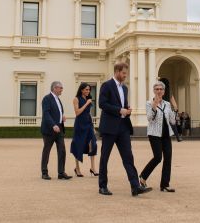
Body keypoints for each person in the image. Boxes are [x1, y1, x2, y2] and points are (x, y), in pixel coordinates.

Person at [98, 62, 151, 196]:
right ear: (117, 71)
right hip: (109, 127)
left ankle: (135, 186)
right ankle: (102, 186)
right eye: (123, 73)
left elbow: (123, 105)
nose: (125, 75)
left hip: (123, 127)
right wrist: (119, 110)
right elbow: (102, 104)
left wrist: (127, 110)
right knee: (105, 157)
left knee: (128, 157)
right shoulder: (106, 85)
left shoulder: (125, 88)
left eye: (126, 73)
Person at [139, 81, 177, 192]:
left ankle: (165, 184)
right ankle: (143, 177)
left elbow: (172, 121)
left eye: (161, 89)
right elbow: (150, 118)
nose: (159, 91)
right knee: (157, 157)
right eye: (157, 89)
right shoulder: (148, 103)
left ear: (164, 91)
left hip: (166, 134)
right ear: (154, 91)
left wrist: (175, 109)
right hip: (154, 134)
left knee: (168, 158)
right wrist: (154, 105)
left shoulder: (167, 104)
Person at [40, 81, 71, 180]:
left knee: (62, 150)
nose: (62, 90)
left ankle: (61, 172)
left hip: (59, 129)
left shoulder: (58, 99)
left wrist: (62, 117)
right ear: (54, 88)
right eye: (60, 88)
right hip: (49, 130)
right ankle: (44, 172)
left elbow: (57, 112)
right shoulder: (47, 99)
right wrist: (53, 125)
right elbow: (46, 113)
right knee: (47, 150)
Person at [70, 82, 98, 177]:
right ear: (81, 90)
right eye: (86, 89)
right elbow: (77, 113)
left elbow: (89, 113)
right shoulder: (76, 99)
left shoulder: (88, 99)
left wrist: (93, 126)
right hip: (80, 125)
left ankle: (93, 168)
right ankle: (77, 168)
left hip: (88, 124)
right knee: (78, 144)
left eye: (89, 90)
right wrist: (86, 103)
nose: (88, 91)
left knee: (93, 144)